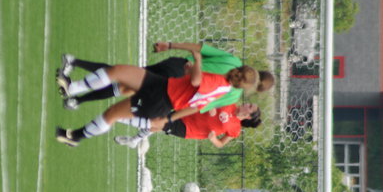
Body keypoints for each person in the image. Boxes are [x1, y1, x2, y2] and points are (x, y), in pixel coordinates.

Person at [54, 44, 260, 147]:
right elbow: (196, 105)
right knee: (117, 71)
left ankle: (76, 136)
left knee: (112, 114)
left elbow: (197, 82)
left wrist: (196, 61)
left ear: (238, 70)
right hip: (163, 85)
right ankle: (72, 88)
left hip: (160, 100)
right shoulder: (225, 90)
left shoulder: (220, 83)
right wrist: (171, 117)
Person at [58, 42, 275, 112]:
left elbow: (200, 48)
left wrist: (170, 45)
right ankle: (77, 96)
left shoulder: (234, 61)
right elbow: (200, 105)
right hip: (173, 92)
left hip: (176, 68)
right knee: (123, 85)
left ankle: (74, 69)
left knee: (123, 76)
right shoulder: (232, 95)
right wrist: (172, 114)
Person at [114, 102, 262, 149]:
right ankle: (134, 140)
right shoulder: (230, 103)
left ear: (248, 116)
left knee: (157, 122)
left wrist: (213, 139)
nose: (247, 103)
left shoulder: (235, 129)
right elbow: (211, 99)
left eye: (250, 106)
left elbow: (221, 144)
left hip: (188, 129)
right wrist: (210, 106)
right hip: (186, 112)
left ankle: (116, 117)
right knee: (156, 123)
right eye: (249, 103)